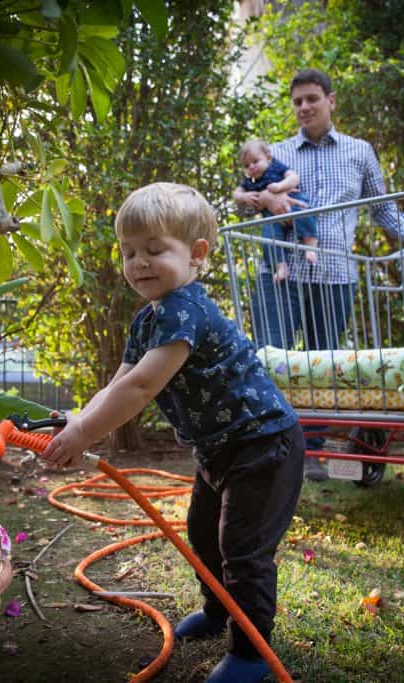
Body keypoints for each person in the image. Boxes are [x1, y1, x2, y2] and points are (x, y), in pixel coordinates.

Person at [41, 182, 305, 683]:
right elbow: (119, 383)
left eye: (154, 250)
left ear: (197, 253)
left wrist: (83, 438)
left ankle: (251, 653)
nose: (138, 262)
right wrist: (79, 421)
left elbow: (141, 387)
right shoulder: (148, 319)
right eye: (129, 252)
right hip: (218, 451)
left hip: (264, 445)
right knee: (205, 538)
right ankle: (219, 610)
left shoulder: (187, 308)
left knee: (242, 550)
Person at [233, 68, 404, 480]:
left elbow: (383, 208)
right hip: (279, 271)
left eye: (311, 99)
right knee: (270, 359)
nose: (304, 107)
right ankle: (271, 451)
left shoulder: (360, 151)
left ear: (330, 101)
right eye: (297, 101)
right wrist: (264, 201)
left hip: (335, 273)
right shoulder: (276, 152)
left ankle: (313, 454)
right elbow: (242, 202)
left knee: (326, 367)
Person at [236, 139, 319, 283]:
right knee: (268, 238)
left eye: (255, 161)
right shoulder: (250, 182)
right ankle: (280, 266)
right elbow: (236, 194)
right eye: (247, 165)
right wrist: (244, 196)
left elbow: (293, 178)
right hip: (271, 217)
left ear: (268, 157)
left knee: (305, 215)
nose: (252, 167)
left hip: (294, 203)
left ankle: (310, 247)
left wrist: (280, 186)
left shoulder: (275, 167)